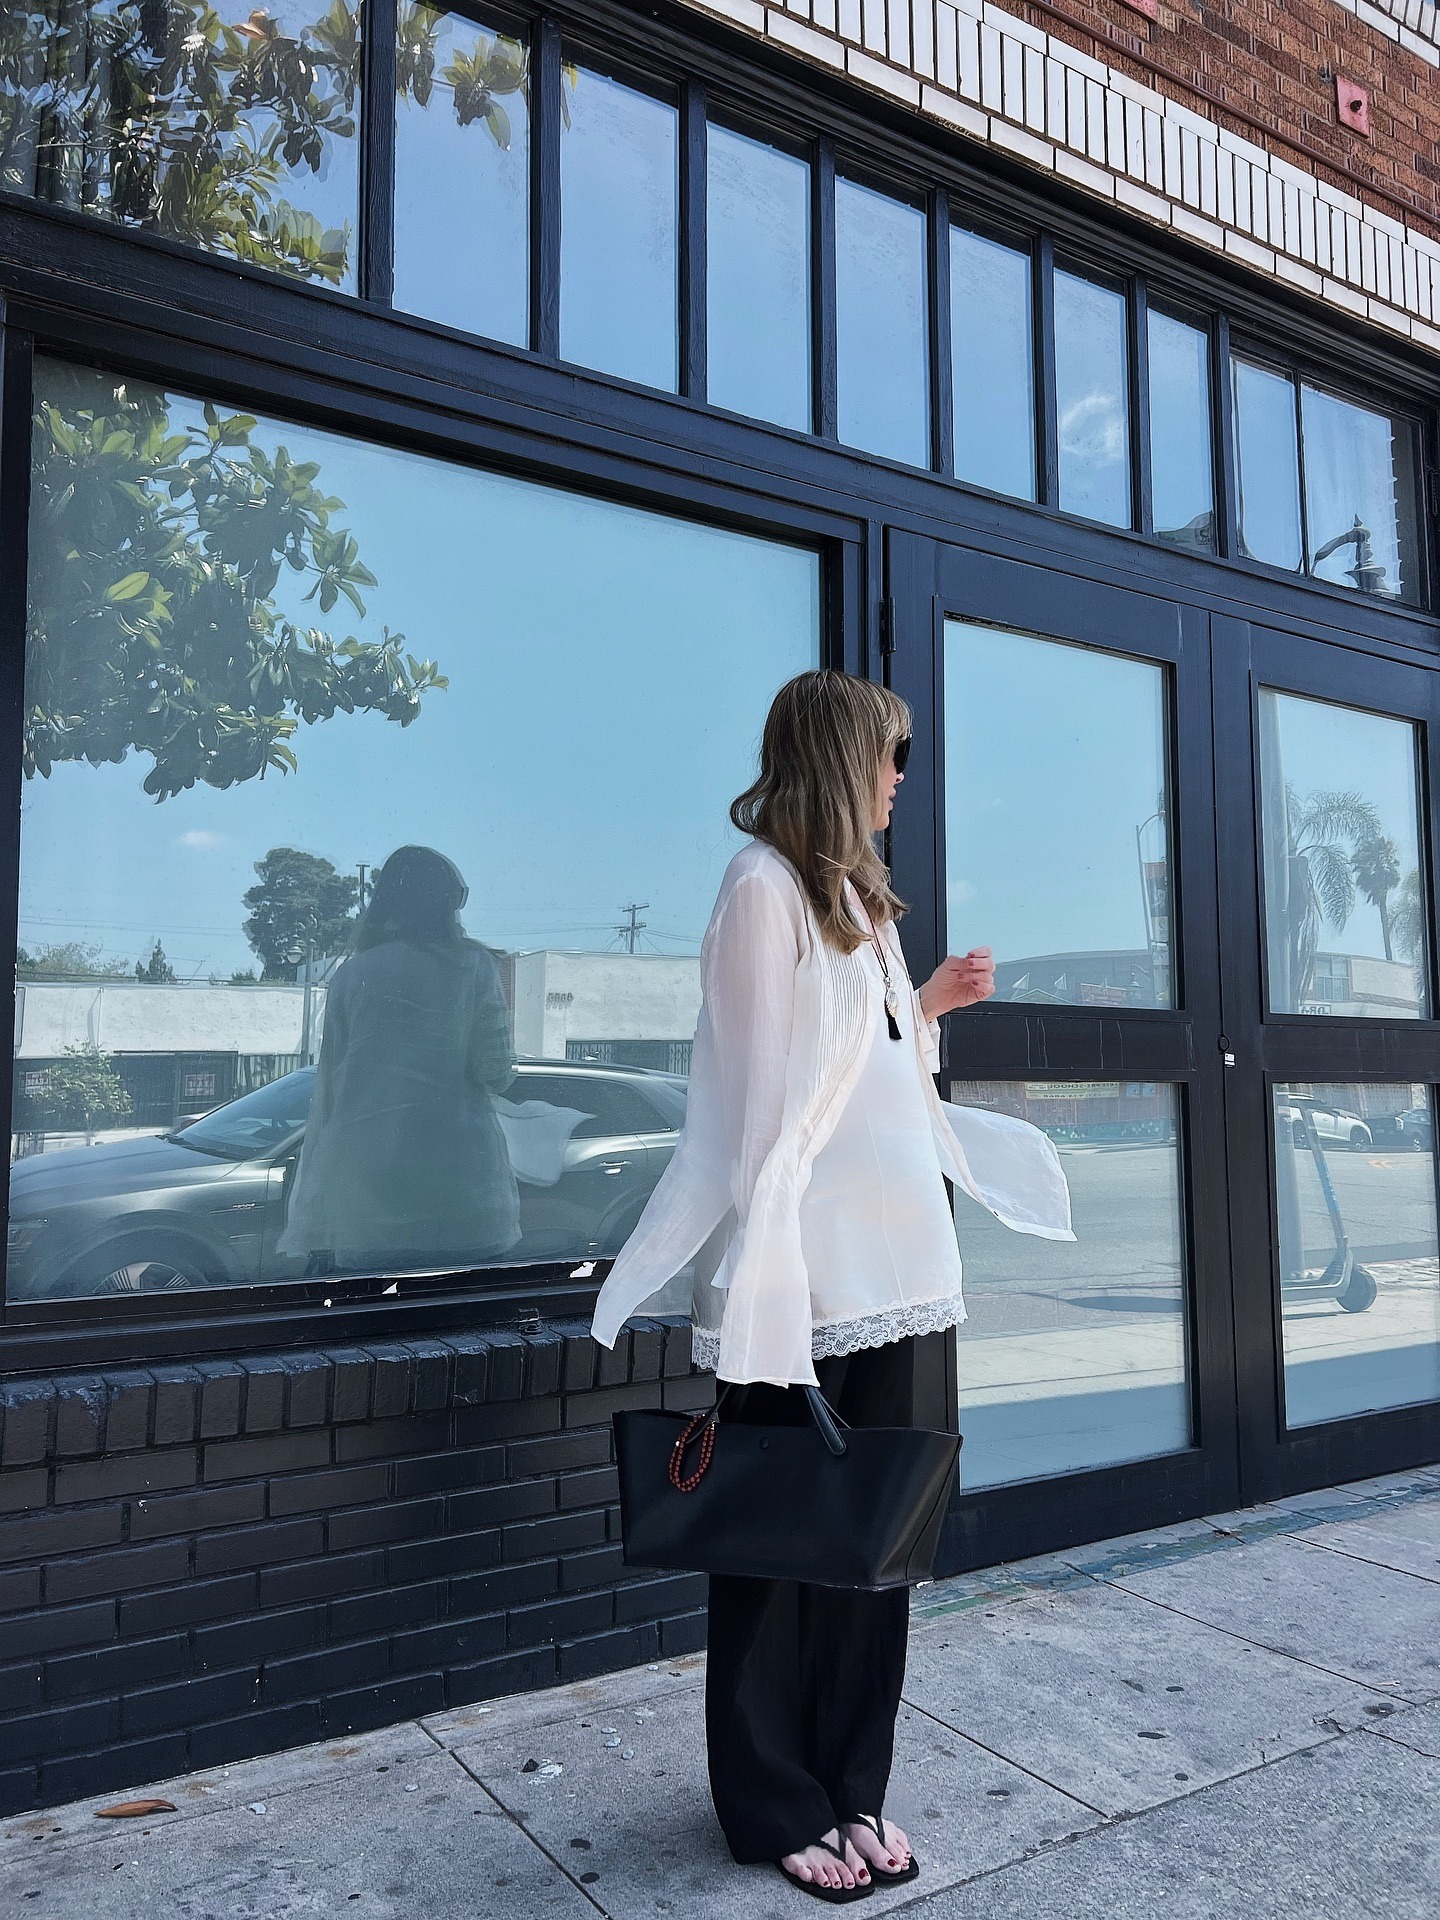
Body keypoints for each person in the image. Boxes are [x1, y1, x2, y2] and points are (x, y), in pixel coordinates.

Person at [591, 670, 1074, 1901]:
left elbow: (865, 1068)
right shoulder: (761, 889)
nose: (902, 775)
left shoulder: (863, 897)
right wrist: (762, 1282)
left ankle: (854, 1785)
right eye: (889, 752)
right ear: (838, 753)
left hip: (909, 1264)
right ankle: (772, 1803)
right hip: (803, 1279)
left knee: (877, 1543)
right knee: (773, 1543)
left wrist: (930, 1003)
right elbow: (758, 1107)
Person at [278, 844, 521, 1274]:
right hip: (463, 1196)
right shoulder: (473, 969)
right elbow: (497, 1074)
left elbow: (330, 1092)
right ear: (448, 902)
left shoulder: (353, 975)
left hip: (367, 1202)